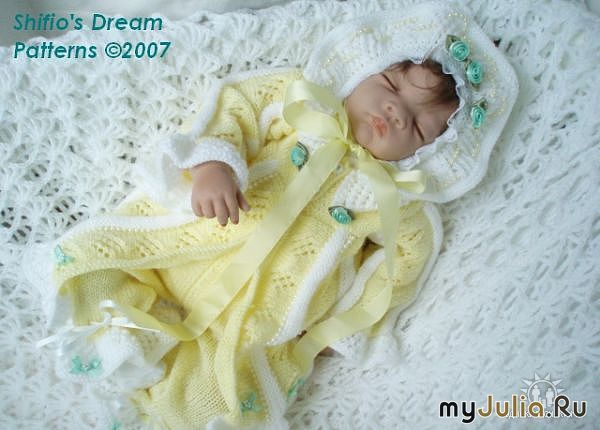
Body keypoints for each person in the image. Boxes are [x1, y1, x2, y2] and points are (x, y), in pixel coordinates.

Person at [31, 1, 518, 428]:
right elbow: (236, 107)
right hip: (188, 248)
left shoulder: (399, 202)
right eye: (390, 84)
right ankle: (120, 340)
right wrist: (214, 165)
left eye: (416, 126)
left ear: (432, 151)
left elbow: (399, 270)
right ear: (362, 67)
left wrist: (339, 327)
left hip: (258, 319)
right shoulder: (303, 104)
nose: (393, 112)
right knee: (98, 261)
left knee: (217, 398)